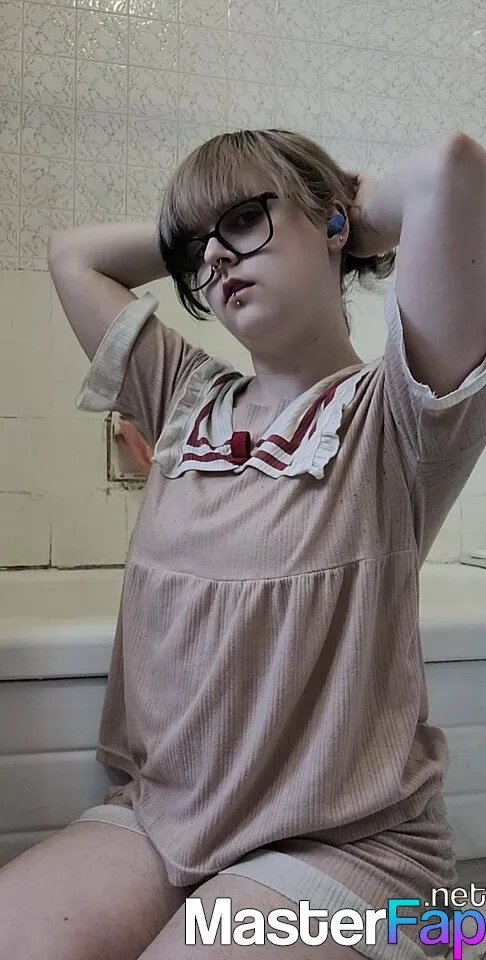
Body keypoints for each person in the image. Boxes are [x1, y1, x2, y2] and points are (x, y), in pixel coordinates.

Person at [1, 128, 486, 960]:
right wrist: (212, 232)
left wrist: (350, 217)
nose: (216, 258)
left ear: (332, 223)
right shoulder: (182, 398)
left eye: (243, 220)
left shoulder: (395, 417)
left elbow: (455, 169)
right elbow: (72, 255)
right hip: (163, 816)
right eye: (198, 248)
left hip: (344, 846)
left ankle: (445, 931)